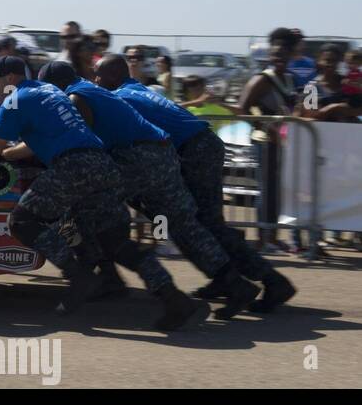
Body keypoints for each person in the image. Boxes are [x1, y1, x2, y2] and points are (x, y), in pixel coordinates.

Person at [39, 61, 252, 325]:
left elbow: (82, 143)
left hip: (137, 158)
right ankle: (234, 283)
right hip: (162, 155)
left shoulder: (76, 97)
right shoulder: (93, 91)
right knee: (184, 225)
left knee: (84, 209)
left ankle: (103, 274)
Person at [98, 54, 296, 312]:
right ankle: (226, 280)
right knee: (202, 222)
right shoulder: (137, 89)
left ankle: (272, 280)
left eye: (98, 75)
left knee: (201, 223)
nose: (95, 81)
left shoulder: (122, 98)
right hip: (201, 144)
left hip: (195, 149)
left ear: (112, 76)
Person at [0, 56, 122, 315]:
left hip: (73, 165)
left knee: (21, 221)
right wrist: (2, 156)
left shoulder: (14, 100)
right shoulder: (46, 90)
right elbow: (29, 144)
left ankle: (78, 275)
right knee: (78, 223)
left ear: (11, 79)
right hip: (101, 163)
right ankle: (143, 289)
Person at [236, 45, 298, 250]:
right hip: (265, 140)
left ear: (290, 56)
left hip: (283, 141)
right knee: (267, 189)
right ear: (270, 57)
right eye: (275, 55)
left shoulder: (288, 79)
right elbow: (242, 108)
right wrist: (265, 126)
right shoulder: (262, 79)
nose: (279, 58)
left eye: (283, 54)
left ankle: (273, 236)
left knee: (277, 190)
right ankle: (262, 238)